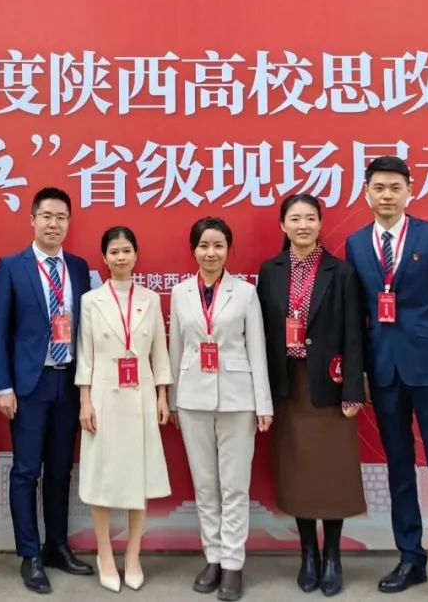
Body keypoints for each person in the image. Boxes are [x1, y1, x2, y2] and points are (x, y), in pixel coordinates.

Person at [344, 156, 428, 602]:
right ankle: (410, 558)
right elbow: (357, 315)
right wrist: (359, 372)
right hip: (383, 372)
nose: (387, 195)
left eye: (395, 188)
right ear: (366, 193)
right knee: (399, 468)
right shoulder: (356, 243)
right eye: (379, 188)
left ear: (410, 191)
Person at [256, 193, 366, 597]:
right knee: (298, 472)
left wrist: (353, 390)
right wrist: (262, 393)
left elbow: (354, 334)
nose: (302, 225)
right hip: (288, 386)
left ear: (320, 224)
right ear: (282, 225)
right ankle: (308, 553)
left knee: (332, 473)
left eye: (310, 218)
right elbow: (262, 333)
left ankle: (332, 554)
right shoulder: (270, 270)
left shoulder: (342, 272)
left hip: (330, 387)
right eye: (294, 218)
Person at [0, 187, 95, 594]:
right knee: (26, 471)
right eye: (47, 216)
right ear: (32, 219)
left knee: (60, 470)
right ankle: (30, 554)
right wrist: (4, 386)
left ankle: (57, 547)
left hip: (68, 381)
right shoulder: (11, 267)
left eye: (61, 217)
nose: (54, 224)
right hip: (29, 386)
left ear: (69, 223)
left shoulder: (80, 268)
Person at [168, 216, 273, 602]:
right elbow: (176, 347)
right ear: (193, 250)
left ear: (228, 249)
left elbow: (257, 349)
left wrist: (262, 403)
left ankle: (232, 563)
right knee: (204, 484)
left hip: (238, 399)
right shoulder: (181, 292)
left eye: (218, 246)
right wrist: (173, 399)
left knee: (234, 486)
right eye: (203, 246)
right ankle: (212, 557)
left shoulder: (245, 293)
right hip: (192, 399)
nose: (210, 253)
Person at [77, 226, 173, 593]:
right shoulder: (91, 301)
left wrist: (162, 396)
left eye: (126, 251)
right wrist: (85, 400)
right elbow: (85, 356)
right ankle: (105, 554)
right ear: (104, 258)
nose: (121, 257)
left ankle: (133, 555)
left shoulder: (150, 299)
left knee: (138, 477)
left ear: (136, 255)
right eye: (114, 251)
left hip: (141, 396)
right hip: (103, 397)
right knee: (102, 477)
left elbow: (159, 352)